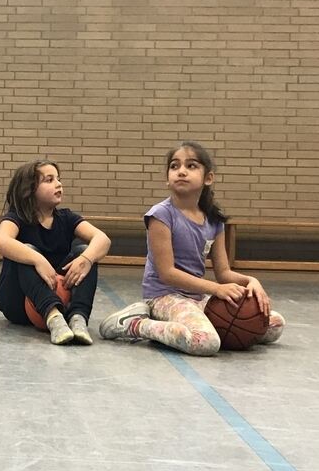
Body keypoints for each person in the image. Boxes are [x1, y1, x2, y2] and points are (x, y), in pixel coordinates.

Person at [98, 142, 285, 355]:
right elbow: (168, 274)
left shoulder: (214, 221)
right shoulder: (160, 215)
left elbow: (224, 273)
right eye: (175, 166)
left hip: (197, 296)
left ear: (208, 178)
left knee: (273, 324)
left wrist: (252, 281)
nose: (182, 171)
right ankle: (136, 324)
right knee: (205, 342)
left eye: (191, 166)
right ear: (167, 178)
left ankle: (202, 326)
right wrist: (215, 289)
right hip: (164, 296)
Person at [0, 160, 111, 345]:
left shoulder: (66, 218)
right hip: (18, 302)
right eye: (49, 180)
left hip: (56, 291)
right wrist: (38, 259)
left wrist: (86, 259)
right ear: (29, 189)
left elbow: (102, 239)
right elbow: (1, 241)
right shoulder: (17, 217)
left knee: (86, 251)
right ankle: (53, 317)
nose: (58, 183)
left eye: (58, 178)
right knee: (26, 250)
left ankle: (78, 318)